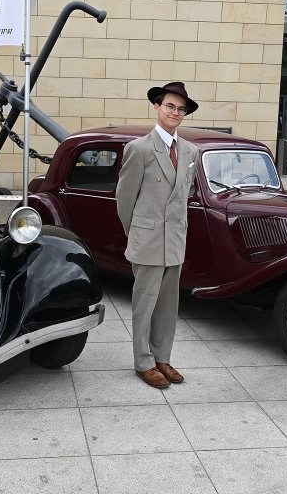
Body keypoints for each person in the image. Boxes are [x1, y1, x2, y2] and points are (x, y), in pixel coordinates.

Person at [115, 82, 199, 389]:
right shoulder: (138, 149)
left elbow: (184, 194)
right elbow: (124, 199)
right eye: (170, 106)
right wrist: (136, 233)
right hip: (147, 240)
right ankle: (143, 362)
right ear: (157, 107)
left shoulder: (190, 151)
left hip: (174, 240)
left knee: (167, 306)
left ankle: (162, 358)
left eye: (181, 109)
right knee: (145, 305)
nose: (175, 112)